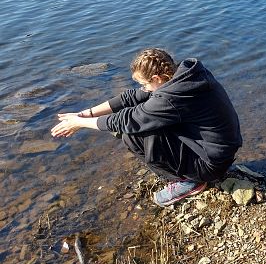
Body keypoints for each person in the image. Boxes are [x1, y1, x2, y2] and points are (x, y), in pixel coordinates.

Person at [51, 48, 242, 207]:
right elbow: (131, 97)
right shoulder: (188, 75)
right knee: (142, 120)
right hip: (218, 151)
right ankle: (189, 173)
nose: (144, 88)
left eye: (144, 83)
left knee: (131, 135)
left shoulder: (171, 99)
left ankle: (189, 182)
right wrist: (85, 114)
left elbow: (126, 120)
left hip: (210, 166)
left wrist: (79, 123)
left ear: (157, 78)